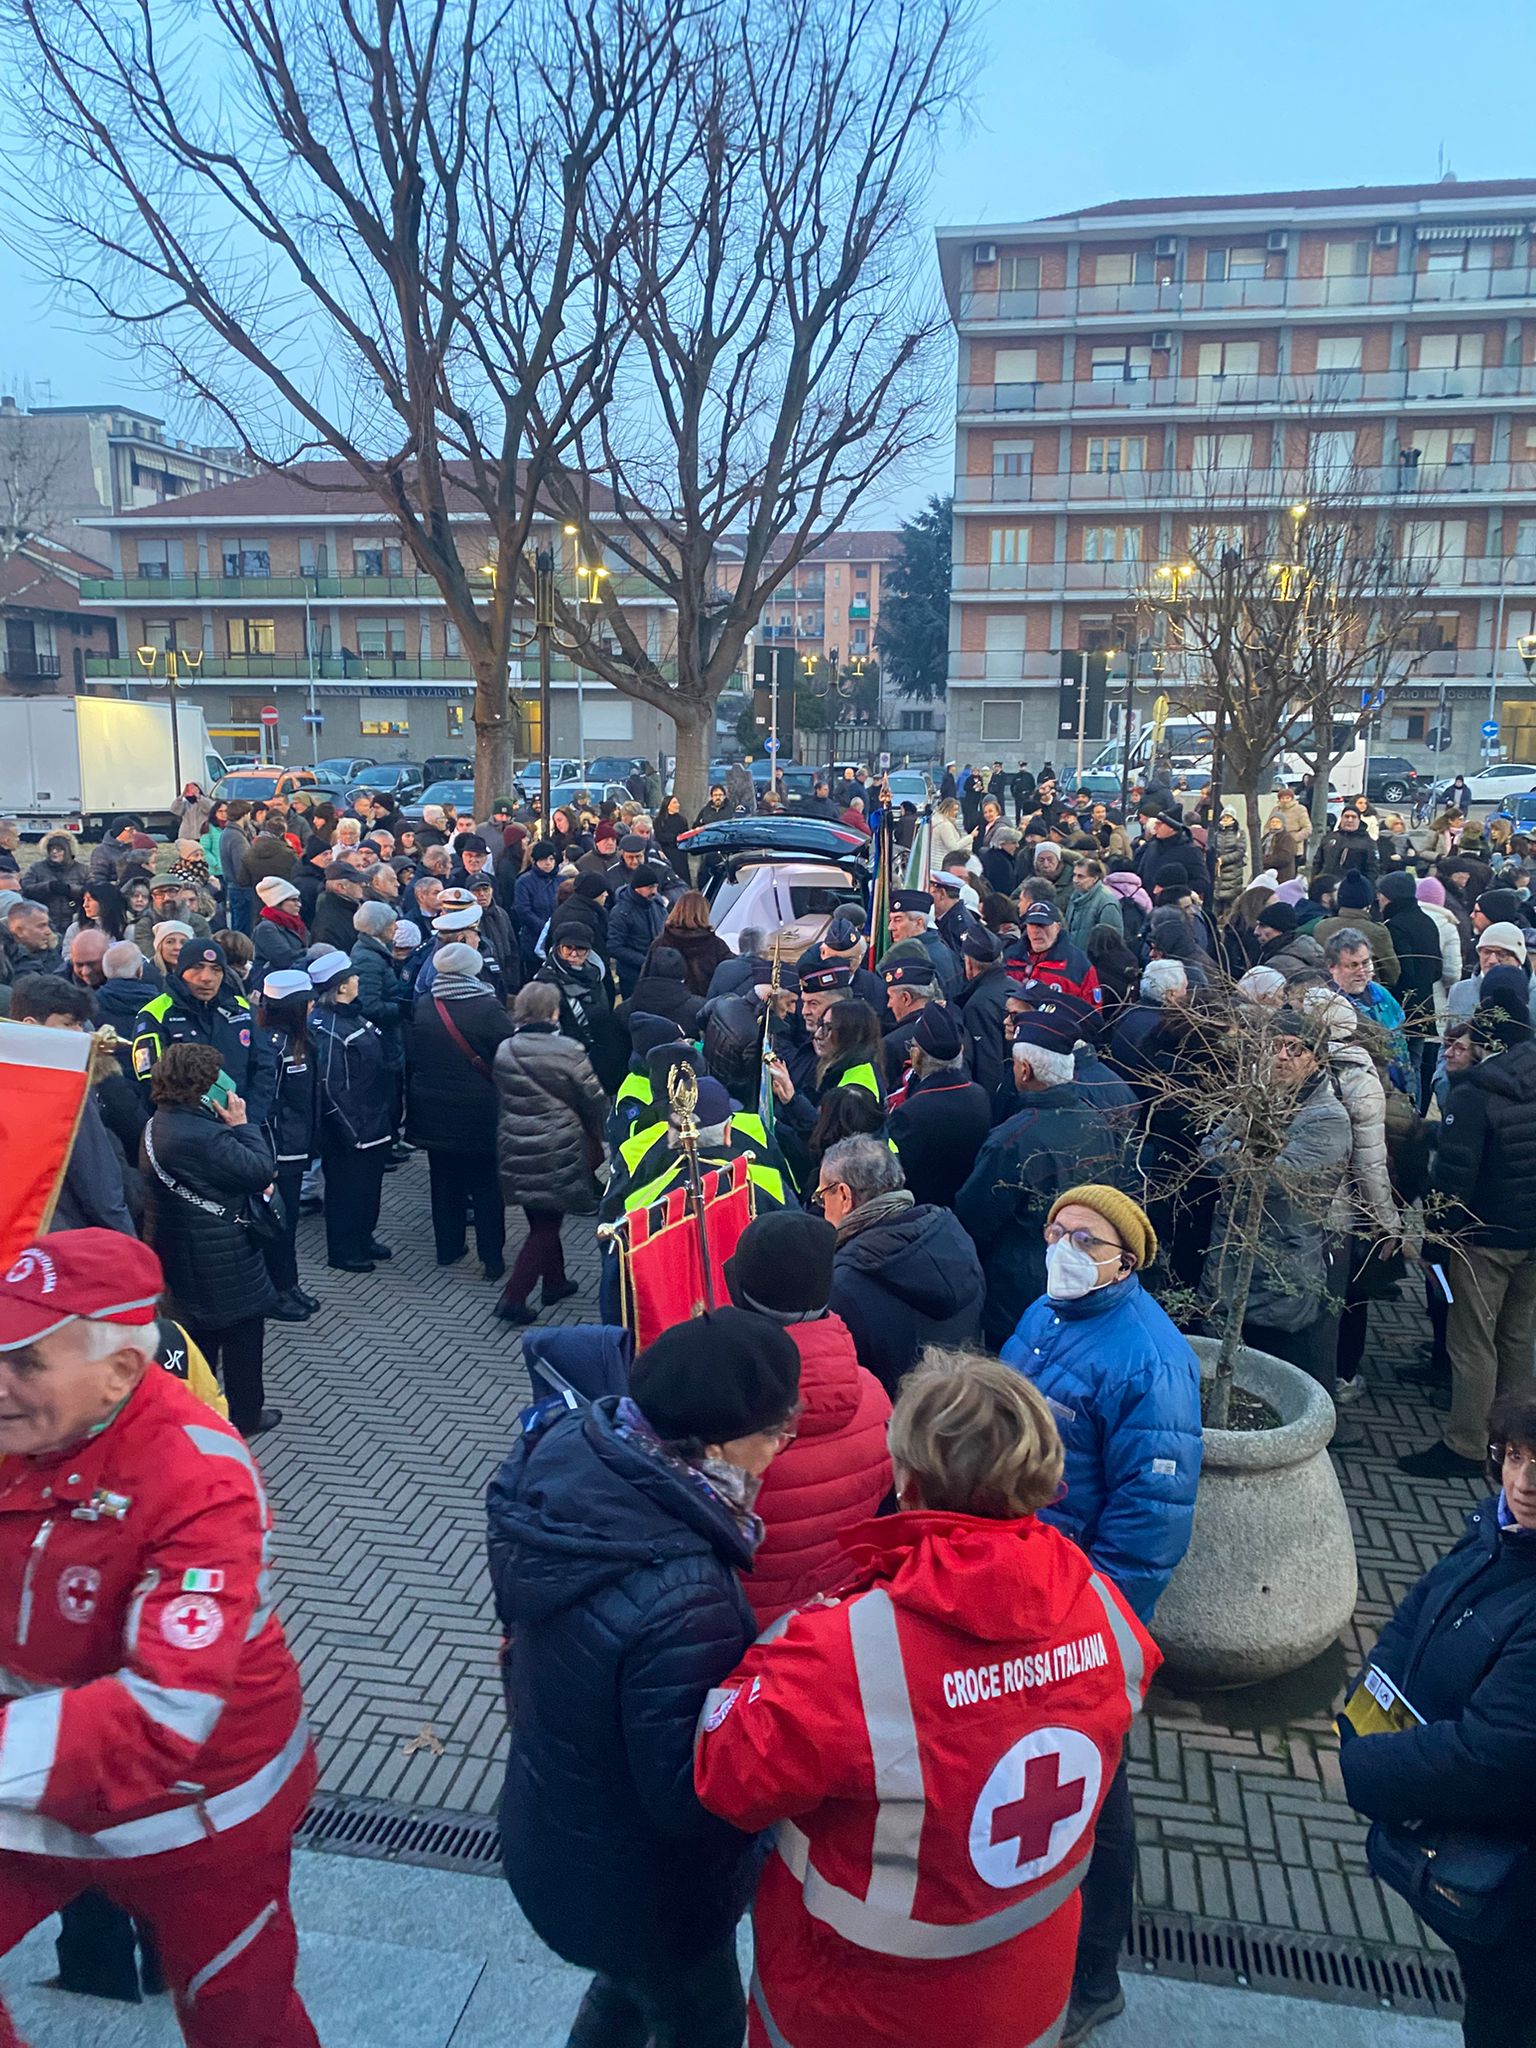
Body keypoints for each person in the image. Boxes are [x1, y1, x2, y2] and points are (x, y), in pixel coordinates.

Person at [694, 1347, 1159, 2048]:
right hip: (1025, 1998)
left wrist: (773, 1648)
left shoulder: (845, 1653)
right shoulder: (1105, 1610)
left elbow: (725, 1774)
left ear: (907, 1485)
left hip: (854, 2013)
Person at [0, 1230, 319, 2043]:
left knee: (239, 2018)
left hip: (201, 1819)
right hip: (38, 1795)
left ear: (121, 1370)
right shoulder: (27, 1431)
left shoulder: (201, 1477)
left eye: (27, 1361)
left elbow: (163, 1717)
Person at [489, 1307, 799, 2045]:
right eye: (777, 1432)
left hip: (556, 1831)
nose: (784, 1447)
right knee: (705, 2023)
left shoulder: (579, 1457)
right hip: (646, 1893)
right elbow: (688, 1799)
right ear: (717, 1444)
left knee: (627, 1997)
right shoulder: (686, 1594)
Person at [1001, 1187, 1202, 2038]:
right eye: (1058, 1231)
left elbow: (1149, 1526)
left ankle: (1095, 1977)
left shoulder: (1150, 1359)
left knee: (1099, 1790)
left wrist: (1097, 1631)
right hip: (1019, 1580)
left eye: (1087, 1239)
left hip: (1079, 1609)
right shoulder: (1048, 1310)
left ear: (1127, 1258)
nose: (1066, 1247)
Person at [1341, 1385, 1536, 2048]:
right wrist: (1366, 1717)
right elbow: (1412, 1621)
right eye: (1514, 1455)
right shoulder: (1499, 1531)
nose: (1524, 1481)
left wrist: (1367, 1764)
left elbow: (1491, 1754)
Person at [721, 1210, 892, 1628]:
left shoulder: (722, 1408)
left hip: (738, 1623)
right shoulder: (874, 1394)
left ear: (742, 1294)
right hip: (831, 1616)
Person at [1400, 979, 1536, 1479]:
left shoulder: (1475, 1092)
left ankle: (1465, 1444)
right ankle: (1515, 1439)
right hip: (1532, 1237)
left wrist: (1436, 1237)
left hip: (1484, 1236)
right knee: (1518, 1338)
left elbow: (1454, 1178)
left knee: (1472, 1342)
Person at [956, 1003, 1123, 1349]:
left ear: (1025, 1070)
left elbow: (974, 1217)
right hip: (1087, 1270)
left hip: (1019, 1288)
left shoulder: (1012, 1140)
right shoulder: (1097, 1120)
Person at [140, 1040, 282, 1436]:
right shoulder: (206, 1136)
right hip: (224, 1257)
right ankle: (245, 1416)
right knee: (243, 1342)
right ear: (203, 1087)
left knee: (196, 1344)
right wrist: (242, 1126)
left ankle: (198, 1412)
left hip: (178, 1256)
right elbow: (260, 1170)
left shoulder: (157, 1124)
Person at [821, 1134, 983, 1396]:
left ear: (843, 1195)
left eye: (822, 1197)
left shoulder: (844, 1282)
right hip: (964, 1397)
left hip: (904, 1419)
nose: (822, 1209)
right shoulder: (954, 1234)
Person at [493, 979, 607, 1324]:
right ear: (554, 1012)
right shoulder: (569, 1051)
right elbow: (594, 1100)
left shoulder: (504, 1050)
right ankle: (513, 1298)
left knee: (541, 1216)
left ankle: (555, 1282)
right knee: (546, 1227)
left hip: (515, 1143)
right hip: (556, 1146)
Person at [407, 940, 516, 1280]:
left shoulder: (425, 1004)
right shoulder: (487, 1007)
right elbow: (508, 1054)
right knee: (486, 1187)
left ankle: (448, 1248)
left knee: (443, 1182)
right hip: (479, 1113)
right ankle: (492, 1260)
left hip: (433, 1111)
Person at [309, 949, 393, 1273]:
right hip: (351, 1128)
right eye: (353, 977)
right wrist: (350, 1130)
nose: (359, 979)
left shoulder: (350, 1015)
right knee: (347, 1191)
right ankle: (343, 1249)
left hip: (370, 1119)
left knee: (368, 1187)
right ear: (341, 987)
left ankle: (363, 1237)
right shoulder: (330, 1027)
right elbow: (330, 1085)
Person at [254, 966, 320, 1324]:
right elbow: (266, 1102)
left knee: (289, 1222)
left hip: (296, 1146)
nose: (312, 1007)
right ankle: (275, 1291)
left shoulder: (299, 1042)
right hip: (280, 1150)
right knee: (279, 1223)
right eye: (306, 1002)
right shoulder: (274, 1047)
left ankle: (289, 1284)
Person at [888, 1001, 992, 1208]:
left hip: (922, 1207)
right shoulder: (979, 1095)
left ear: (918, 1054)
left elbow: (896, 1170)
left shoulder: (910, 1112)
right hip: (964, 1203)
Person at [650, 888, 730, 995]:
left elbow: (647, 981)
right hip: (706, 1007)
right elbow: (729, 979)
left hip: (666, 1006)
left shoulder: (660, 944)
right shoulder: (716, 946)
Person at [252, 874, 309, 974]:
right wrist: (312, 953)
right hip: (276, 981)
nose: (299, 904)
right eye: (293, 900)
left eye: (298, 900)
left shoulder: (296, 923)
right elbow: (284, 959)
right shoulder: (266, 928)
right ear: (278, 902)